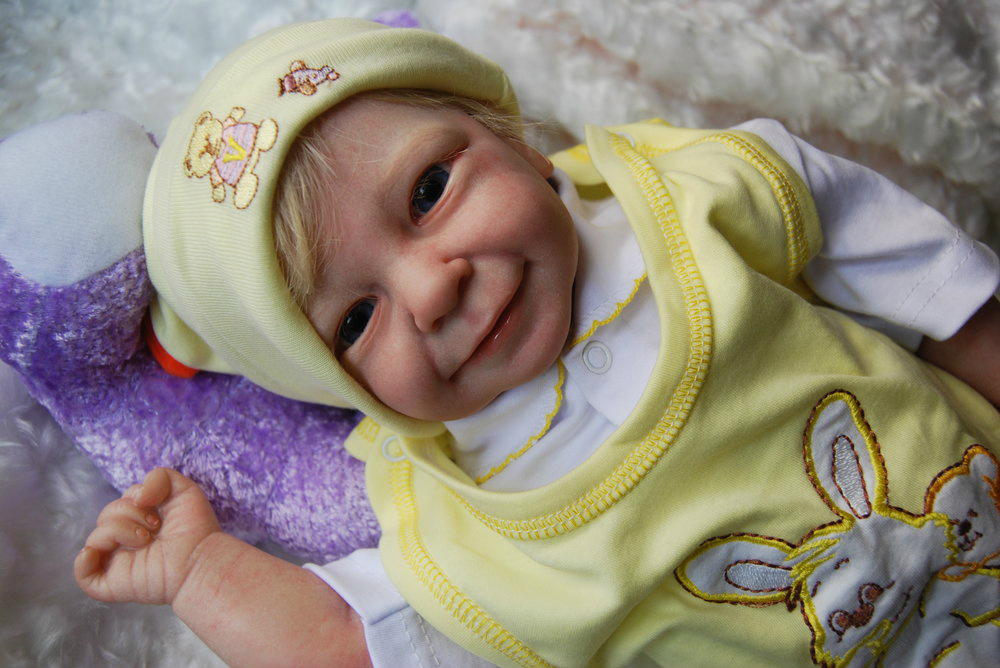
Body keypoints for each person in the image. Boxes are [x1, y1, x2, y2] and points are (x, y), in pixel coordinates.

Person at [75, 18, 1000, 668]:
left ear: (514, 138)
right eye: (354, 320)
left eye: (428, 192)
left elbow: (944, 298)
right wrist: (196, 569)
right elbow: (343, 648)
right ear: (343, 390)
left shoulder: (697, 197)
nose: (432, 289)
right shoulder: (461, 526)